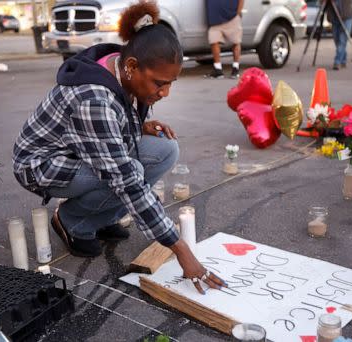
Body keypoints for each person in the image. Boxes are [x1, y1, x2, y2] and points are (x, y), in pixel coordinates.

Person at [13, 1, 226, 294]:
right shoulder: (93, 100)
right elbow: (126, 180)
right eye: (159, 84)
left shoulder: (120, 62)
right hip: (41, 165)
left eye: (171, 83)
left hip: (78, 151)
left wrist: (137, 125)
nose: (165, 93)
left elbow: (113, 123)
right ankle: (72, 221)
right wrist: (181, 249)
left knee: (165, 150)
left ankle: (102, 217)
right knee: (131, 172)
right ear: (131, 67)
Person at [205, 0, 243, 79]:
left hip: (232, 17)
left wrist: (238, 12)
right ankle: (218, 69)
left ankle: (235, 68)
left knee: (236, 42)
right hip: (214, 19)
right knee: (213, 41)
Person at [326, 0, 352, 70]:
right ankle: (343, 59)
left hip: (347, 14)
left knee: (342, 39)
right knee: (337, 40)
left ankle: (337, 61)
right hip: (334, 15)